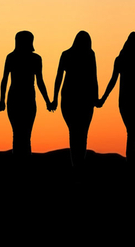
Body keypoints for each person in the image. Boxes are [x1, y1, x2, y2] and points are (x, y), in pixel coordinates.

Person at [97, 32, 135, 165]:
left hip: (127, 101)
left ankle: (133, 163)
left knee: (133, 133)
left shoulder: (122, 59)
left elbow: (113, 81)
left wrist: (103, 99)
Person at [0, 31, 52, 159]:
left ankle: (21, 163)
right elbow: (39, 82)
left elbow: (5, 80)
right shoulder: (34, 59)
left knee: (19, 134)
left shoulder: (12, 57)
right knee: (23, 134)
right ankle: (23, 163)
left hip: (18, 99)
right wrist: (47, 101)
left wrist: (2, 100)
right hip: (25, 99)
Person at [51, 31, 99, 170]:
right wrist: (96, 98)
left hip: (72, 98)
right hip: (81, 99)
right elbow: (93, 78)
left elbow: (58, 78)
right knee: (82, 133)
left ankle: (76, 164)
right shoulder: (89, 55)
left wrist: (54, 99)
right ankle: (78, 164)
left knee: (75, 132)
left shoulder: (67, 54)